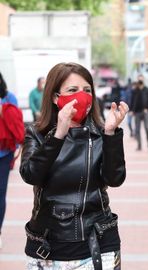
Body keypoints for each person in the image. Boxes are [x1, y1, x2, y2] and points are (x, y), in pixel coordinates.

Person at [20, 62, 129, 269]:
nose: (82, 96)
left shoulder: (101, 132)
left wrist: (110, 134)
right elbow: (30, 175)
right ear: (55, 97)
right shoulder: (37, 132)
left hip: (98, 242)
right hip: (47, 244)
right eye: (72, 90)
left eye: (87, 90)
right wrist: (58, 135)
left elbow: (114, 179)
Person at [0, 72, 23, 249]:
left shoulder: (9, 98)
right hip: (5, 153)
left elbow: (16, 124)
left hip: (3, 154)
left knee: (0, 194)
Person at [131, 76, 148, 150]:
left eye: (141, 79)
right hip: (137, 112)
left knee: (147, 128)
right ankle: (139, 145)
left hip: (145, 111)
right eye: (139, 79)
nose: (140, 80)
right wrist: (131, 110)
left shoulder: (147, 90)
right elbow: (132, 100)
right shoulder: (135, 90)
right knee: (137, 129)